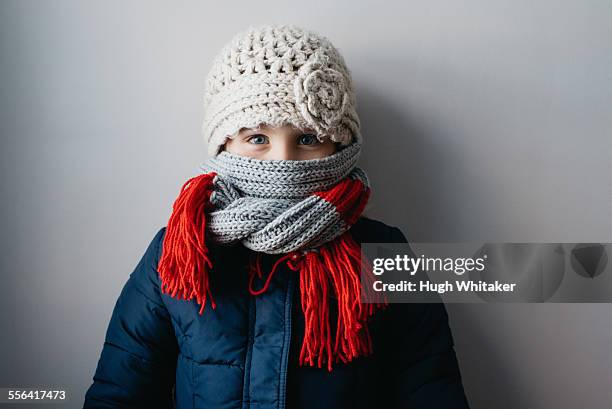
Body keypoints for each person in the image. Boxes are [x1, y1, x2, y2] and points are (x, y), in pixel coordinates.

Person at [83, 24, 470, 409]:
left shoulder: (381, 252)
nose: (282, 161)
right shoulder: (180, 251)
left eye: (307, 139)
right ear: (224, 143)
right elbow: (121, 394)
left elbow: (431, 389)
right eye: (257, 139)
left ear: (339, 142)